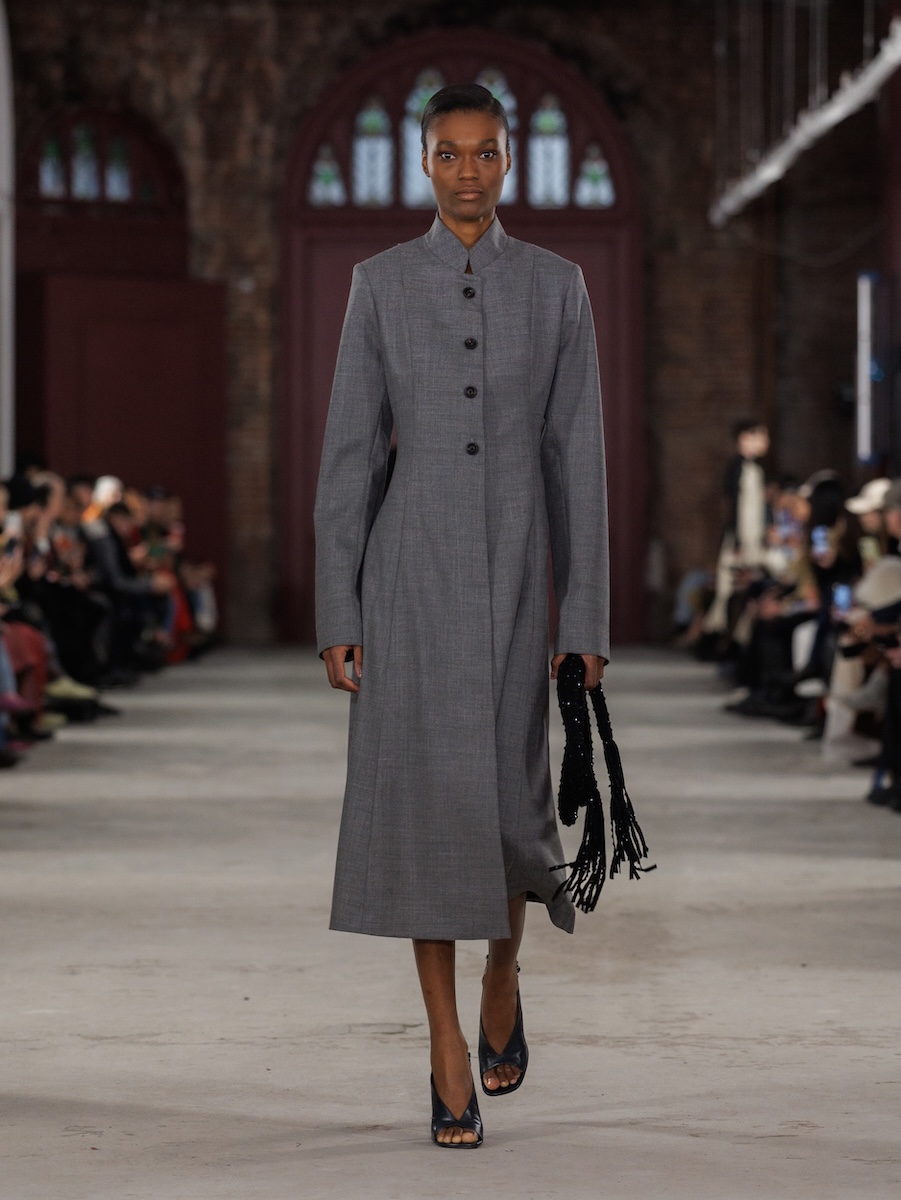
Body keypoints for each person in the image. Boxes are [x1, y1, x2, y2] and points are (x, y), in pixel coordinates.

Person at [314, 84, 609, 1148]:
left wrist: (584, 620)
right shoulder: (381, 283)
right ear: (425, 163)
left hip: (520, 573)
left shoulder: (557, 285)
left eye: (486, 153)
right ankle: (445, 1046)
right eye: (450, 153)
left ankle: (504, 967)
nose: (469, 171)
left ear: (509, 160)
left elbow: (577, 458)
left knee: (512, 807)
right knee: (426, 813)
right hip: (410, 579)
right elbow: (350, 453)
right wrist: (337, 605)